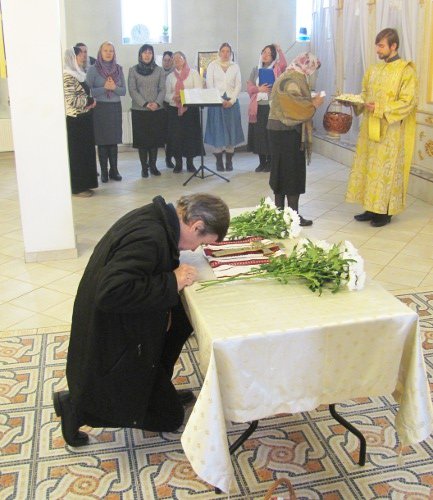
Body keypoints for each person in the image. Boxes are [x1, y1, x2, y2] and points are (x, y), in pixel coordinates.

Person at [52, 193, 230, 446]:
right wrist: (171, 280)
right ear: (196, 225)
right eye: (200, 242)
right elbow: (112, 292)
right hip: (112, 335)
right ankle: (76, 407)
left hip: (125, 321)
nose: (193, 249)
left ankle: (158, 384)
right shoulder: (149, 237)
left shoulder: (159, 220)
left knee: (181, 319)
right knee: (170, 418)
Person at [345, 28, 418, 227]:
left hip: (390, 131)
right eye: (377, 45)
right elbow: (365, 94)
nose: (378, 49)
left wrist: (380, 108)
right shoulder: (374, 69)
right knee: (370, 167)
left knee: (386, 170)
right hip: (369, 128)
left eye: (381, 46)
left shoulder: (406, 71)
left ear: (394, 46)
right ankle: (371, 207)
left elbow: (408, 102)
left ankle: (385, 211)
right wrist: (354, 102)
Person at [267, 52, 324, 226]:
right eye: (313, 69)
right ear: (306, 65)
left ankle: (280, 215)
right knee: (292, 173)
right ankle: (292, 216)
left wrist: (308, 100)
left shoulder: (288, 75)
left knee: (280, 171)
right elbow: (294, 108)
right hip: (288, 132)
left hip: (278, 131)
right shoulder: (293, 79)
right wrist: (314, 105)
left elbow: (292, 100)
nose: (312, 73)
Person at [86, 42, 126, 183]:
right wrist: (104, 88)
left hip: (114, 107)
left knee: (113, 141)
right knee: (102, 142)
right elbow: (88, 91)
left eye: (111, 51)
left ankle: (114, 170)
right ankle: (104, 172)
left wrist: (114, 87)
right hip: (100, 108)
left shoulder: (119, 69)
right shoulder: (93, 69)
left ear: (114, 53)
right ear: (100, 52)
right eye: (105, 50)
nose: (108, 53)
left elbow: (123, 91)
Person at [63, 47, 98, 198]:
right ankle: (78, 187)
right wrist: (89, 101)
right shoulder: (67, 76)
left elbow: (86, 93)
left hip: (85, 118)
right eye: (80, 55)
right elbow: (71, 99)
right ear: (72, 58)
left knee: (86, 153)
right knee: (78, 155)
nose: (84, 57)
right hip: (75, 120)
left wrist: (91, 101)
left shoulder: (80, 74)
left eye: (84, 54)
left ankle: (87, 184)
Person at [204, 42, 244, 171]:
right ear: (219, 52)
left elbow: (238, 85)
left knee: (231, 131)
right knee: (218, 132)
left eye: (228, 51)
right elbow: (210, 84)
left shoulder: (235, 66)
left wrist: (231, 101)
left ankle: (229, 161)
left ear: (231, 53)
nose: (225, 54)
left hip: (232, 103)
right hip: (217, 103)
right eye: (223, 51)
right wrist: (220, 100)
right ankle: (219, 161)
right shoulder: (212, 65)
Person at [247, 44, 287, 173]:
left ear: (273, 56)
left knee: (269, 135)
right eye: (264, 52)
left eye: (269, 53)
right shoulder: (255, 69)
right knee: (259, 135)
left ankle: (270, 162)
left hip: (271, 107)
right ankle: (261, 162)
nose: (265, 55)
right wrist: (259, 89)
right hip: (257, 107)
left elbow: (284, 65)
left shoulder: (276, 69)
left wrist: (279, 50)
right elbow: (249, 88)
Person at [128, 44, 166, 177]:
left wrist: (156, 103)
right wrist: (145, 104)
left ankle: (153, 166)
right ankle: (144, 167)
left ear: (153, 55)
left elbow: (162, 89)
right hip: (139, 110)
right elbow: (132, 90)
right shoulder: (133, 70)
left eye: (150, 52)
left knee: (154, 141)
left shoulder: (159, 70)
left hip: (156, 110)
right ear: (140, 55)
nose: (147, 55)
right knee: (142, 141)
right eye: (145, 52)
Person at [165, 51, 203, 173]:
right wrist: (174, 97)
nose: (177, 60)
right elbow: (166, 95)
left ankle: (190, 163)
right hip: (174, 110)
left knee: (190, 137)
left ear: (184, 59)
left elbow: (198, 90)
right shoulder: (170, 77)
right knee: (176, 137)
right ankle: (178, 163)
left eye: (179, 58)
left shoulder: (193, 73)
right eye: (174, 59)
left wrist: (184, 96)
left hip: (190, 110)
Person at [161, 50, 175, 169]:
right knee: (163, 135)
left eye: (169, 60)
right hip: (160, 106)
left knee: (171, 135)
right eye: (164, 60)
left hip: (172, 106)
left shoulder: (176, 73)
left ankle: (169, 158)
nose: (166, 62)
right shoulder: (158, 72)